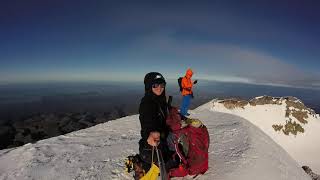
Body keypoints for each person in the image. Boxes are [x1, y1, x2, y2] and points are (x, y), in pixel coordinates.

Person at [138, 72, 178, 179]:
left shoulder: (161, 100)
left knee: (178, 159)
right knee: (168, 165)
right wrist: (150, 134)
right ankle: (141, 164)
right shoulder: (147, 103)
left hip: (165, 138)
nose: (159, 88)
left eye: (162, 85)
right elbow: (146, 121)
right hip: (152, 143)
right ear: (148, 86)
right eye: (155, 85)